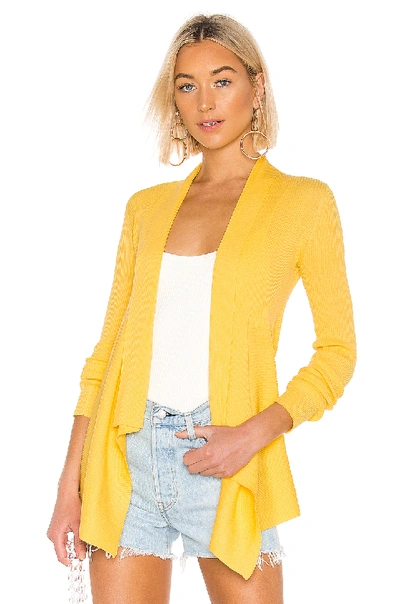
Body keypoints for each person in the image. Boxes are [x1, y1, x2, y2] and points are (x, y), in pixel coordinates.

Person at [47, 13, 356, 604]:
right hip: (127, 458)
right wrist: (69, 487)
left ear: (256, 87)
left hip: (226, 457)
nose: (205, 102)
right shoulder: (145, 209)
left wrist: (253, 436)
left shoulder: (304, 203)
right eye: (187, 85)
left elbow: (338, 353)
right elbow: (107, 354)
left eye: (223, 80)